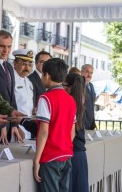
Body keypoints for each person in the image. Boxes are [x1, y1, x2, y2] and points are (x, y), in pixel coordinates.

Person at [34, 58, 76, 192]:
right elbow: (72, 131)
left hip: (50, 157)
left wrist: (36, 160)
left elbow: (44, 132)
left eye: (42, 75)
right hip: (66, 155)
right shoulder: (70, 99)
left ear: (46, 75)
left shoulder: (45, 98)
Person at [63, 73, 89, 192]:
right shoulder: (80, 103)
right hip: (79, 152)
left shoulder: (68, 104)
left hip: (72, 152)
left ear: (68, 87)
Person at [12, 49, 36, 139]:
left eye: (30, 64)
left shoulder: (28, 81)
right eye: (24, 64)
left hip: (27, 127)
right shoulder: (11, 79)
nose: (27, 68)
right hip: (16, 128)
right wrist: (15, 126)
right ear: (15, 63)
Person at [81, 64, 96, 130]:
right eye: (87, 72)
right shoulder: (78, 85)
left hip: (91, 123)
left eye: (91, 73)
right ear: (81, 72)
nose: (89, 75)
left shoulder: (91, 85)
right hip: (82, 124)